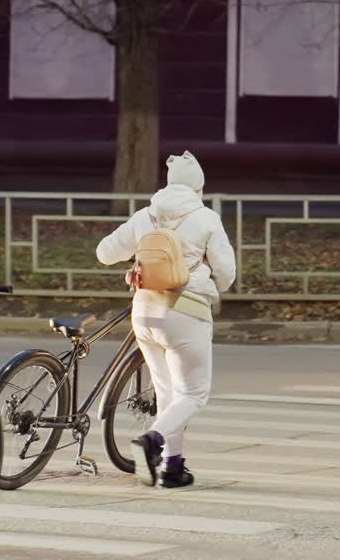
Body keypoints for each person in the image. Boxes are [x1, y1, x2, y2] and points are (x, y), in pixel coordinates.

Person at [96, 152, 236, 488]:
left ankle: (172, 468)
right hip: (186, 314)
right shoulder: (206, 219)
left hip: (144, 314)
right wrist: (209, 284)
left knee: (168, 393)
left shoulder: (146, 216)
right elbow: (227, 272)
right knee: (193, 394)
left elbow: (104, 252)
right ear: (199, 189)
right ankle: (153, 440)